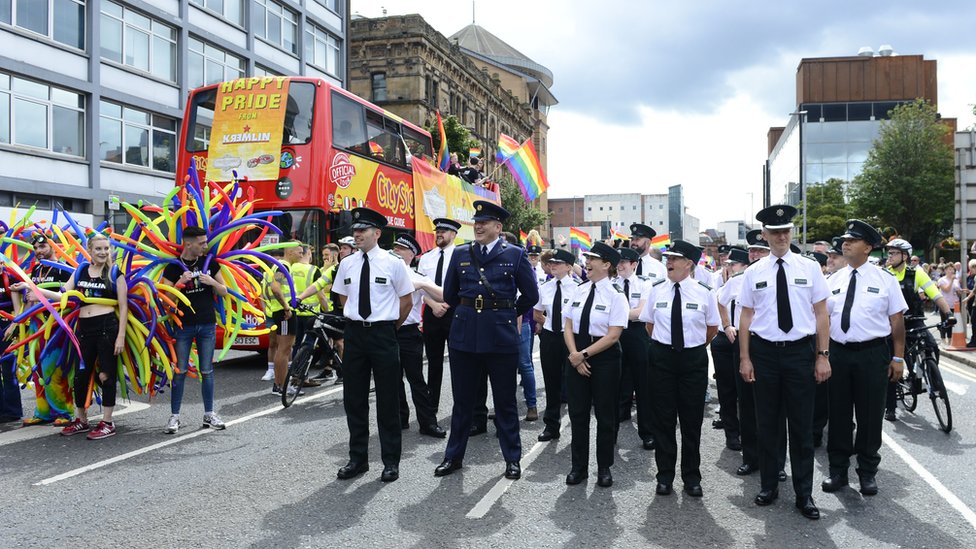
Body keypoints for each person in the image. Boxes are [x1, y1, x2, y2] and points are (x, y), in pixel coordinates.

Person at [738, 205, 831, 520]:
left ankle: (804, 494)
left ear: (792, 233)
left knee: (801, 427)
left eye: (785, 231)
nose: (780, 236)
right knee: (768, 425)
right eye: (775, 232)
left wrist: (822, 355)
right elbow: (746, 317)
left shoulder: (809, 268)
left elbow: (821, 313)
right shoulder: (753, 272)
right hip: (764, 354)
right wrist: (745, 358)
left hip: (799, 353)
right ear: (764, 235)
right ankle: (769, 485)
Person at [434, 201, 538, 480]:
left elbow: (530, 296)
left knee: (504, 402)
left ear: (498, 228)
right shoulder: (460, 254)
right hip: (464, 336)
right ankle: (453, 457)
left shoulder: (515, 255)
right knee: (463, 402)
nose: (478, 226)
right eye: (476, 221)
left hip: (500, 336)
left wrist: (505, 313)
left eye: (485, 222)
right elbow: (449, 295)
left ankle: (512, 459)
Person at [823, 220, 908, 497]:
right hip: (838, 353)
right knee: (838, 415)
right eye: (845, 240)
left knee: (870, 415)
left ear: (868, 247)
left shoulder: (885, 280)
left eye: (853, 240)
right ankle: (837, 471)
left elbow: (897, 322)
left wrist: (897, 358)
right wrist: (821, 355)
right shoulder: (833, 280)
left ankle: (868, 472)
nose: (845, 244)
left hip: (872, 354)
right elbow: (822, 320)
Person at [331, 208, 414, 482]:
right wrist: (356, 320)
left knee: (387, 400)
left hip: (383, 334)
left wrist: (390, 328)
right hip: (356, 334)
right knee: (354, 400)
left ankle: (390, 461)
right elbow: (344, 299)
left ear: (377, 233)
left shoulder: (393, 263)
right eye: (355, 230)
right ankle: (358, 459)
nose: (357, 235)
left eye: (362, 231)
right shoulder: (347, 263)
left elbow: (406, 301)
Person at [25, 233, 129, 440]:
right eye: (98, 249)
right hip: (84, 329)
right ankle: (81, 419)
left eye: (106, 249)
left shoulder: (115, 273)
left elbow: (123, 306)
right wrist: (38, 292)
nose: (103, 252)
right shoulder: (81, 270)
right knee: (81, 375)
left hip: (107, 328)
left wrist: (121, 336)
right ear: (89, 250)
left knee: (106, 375)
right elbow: (65, 295)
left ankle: (108, 422)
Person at [641, 240, 719, 497]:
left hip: (693, 361)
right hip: (662, 358)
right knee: (663, 420)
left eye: (675, 259)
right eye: (668, 258)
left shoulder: (704, 291)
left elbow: (711, 328)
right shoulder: (656, 289)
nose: (669, 263)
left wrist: (690, 346)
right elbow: (649, 325)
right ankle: (664, 476)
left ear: (689, 264)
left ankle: (692, 477)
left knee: (691, 421)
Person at [562, 242, 628, 487]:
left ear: (607, 265)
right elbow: (567, 325)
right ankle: (578, 468)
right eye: (586, 258)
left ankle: (604, 467)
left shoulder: (616, 295)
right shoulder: (580, 290)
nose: (586, 262)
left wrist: (584, 355)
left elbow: (613, 335)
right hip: (576, 353)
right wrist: (574, 355)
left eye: (592, 259)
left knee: (605, 415)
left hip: (604, 358)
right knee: (578, 414)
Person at [160, 225, 228, 434]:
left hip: (207, 324)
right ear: (188, 244)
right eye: (202, 243)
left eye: (205, 242)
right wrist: (180, 283)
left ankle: (209, 414)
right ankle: (175, 417)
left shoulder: (210, 263)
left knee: (207, 371)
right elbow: (165, 300)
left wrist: (211, 283)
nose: (205, 246)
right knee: (179, 371)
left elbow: (225, 291)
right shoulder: (172, 268)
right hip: (184, 326)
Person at [883, 238, 951, 421]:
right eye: (889, 253)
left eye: (894, 253)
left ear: (905, 256)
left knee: (932, 347)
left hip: (914, 321)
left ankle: (930, 377)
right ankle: (890, 406)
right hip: (893, 325)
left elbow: (935, 295)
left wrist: (949, 313)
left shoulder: (917, 273)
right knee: (891, 364)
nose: (890, 256)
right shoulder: (884, 275)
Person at [390, 234, 447, 438]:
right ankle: (400, 418)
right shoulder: (385, 270)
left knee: (416, 380)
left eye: (401, 249)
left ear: (412, 255)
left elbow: (443, 295)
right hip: (387, 330)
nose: (396, 251)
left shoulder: (416, 275)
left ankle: (427, 422)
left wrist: (422, 286)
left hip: (408, 331)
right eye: (395, 248)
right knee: (392, 379)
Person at [20, 233, 74, 425]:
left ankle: (63, 412)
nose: (38, 251)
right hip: (36, 325)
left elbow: (70, 298)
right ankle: (43, 412)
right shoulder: (36, 270)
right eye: (35, 248)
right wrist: (23, 321)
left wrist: (44, 298)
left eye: (42, 247)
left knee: (54, 368)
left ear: (52, 246)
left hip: (55, 324)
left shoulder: (65, 269)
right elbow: (29, 295)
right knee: (38, 369)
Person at [613, 247, 656, 450]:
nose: (620, 265)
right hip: (616, 334)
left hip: (638, 335)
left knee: (643, 384)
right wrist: (624, 314)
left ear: (634, 264)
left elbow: (642, 311)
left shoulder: (645, 283)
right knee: (616, 379)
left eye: (624, 262)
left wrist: (618, 314)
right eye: (618, 261)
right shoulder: (612, 284)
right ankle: (614, 424)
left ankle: (647, 432)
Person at [417, 218, 460, 413]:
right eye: (438, 231)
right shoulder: (427, 257)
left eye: (444, 231)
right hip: (433, 314)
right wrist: (434, 305)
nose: (439, 234)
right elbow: (420, 286)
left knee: (459, 363)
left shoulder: (461, 256)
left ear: (453, 234)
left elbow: (464, 285)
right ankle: (431, 405)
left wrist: (447, 304)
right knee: (434, 363)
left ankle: (460, 406)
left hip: (455, 313)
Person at [533, 249, 577, 442]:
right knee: (551, 382)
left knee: (575, 383)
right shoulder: (545, 287)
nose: (552, 266)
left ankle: (578, 426)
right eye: (551, 263)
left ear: (568, 267)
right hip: (550, 337)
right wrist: (550, 324)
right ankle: (551, 426)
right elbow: (537, 313)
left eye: (557, 263)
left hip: (571, 339)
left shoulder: (578, 287)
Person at [711, 247, 749, 452]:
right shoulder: (733, 281)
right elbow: (719, 300)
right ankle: (732, 434)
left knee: (745, 390)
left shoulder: (746, 279)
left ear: (744, 265)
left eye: (733, 264)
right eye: (728, 264)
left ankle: (748, 432)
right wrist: (727, 325)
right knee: (726, 390)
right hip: (726, 339)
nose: (728, 267)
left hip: (748, 340)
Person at [266, 243, 303, 396]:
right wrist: (286, 307)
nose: (301, 255)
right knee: (284, 349)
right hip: (284, 312)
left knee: (285, 349)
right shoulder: (283, 266)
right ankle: (281, 386)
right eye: (299, 252)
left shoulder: (278, 266)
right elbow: (275, 288)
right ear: (290, 251)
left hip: (281, 311)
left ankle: (281, 385)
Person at [0, 263, 21, 423]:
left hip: (6, 327)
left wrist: (15, 325)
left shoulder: (10, 278)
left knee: (9, 369)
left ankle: (13, 411)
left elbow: (19, 304)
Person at [936, 264, 962, 345]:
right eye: (949, 269)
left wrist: (960, 291)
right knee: (944, 322)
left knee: (951, 323)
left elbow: (958, 292)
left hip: (954, 304)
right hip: (944, 304)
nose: (951, 271)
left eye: (952, 269)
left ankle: (950, 340)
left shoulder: (956, 280)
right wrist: (951, 280)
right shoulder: (941, 280)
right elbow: (946, 290)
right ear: (945, 270)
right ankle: (943, 339)